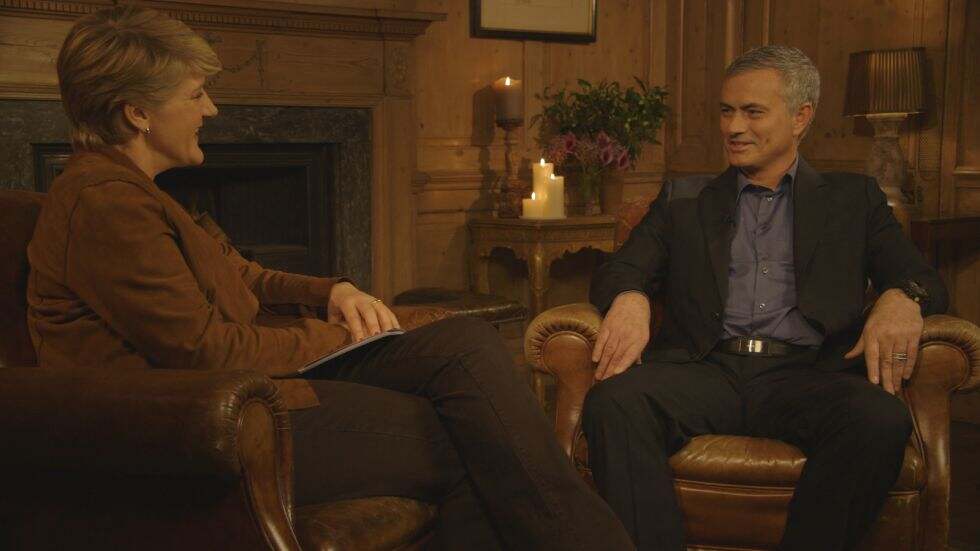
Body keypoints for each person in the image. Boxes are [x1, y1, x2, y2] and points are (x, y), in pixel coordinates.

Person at [27, 6, 634, 550]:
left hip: (246, 386)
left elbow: (242, 275)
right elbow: (204, 351)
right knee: (473, 436)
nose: (210, 109)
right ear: (137, 113)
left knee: (464, 343)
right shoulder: (106, 203)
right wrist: (343, 337)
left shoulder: (137, 191)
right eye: (195, 94)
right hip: (200, 421)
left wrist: (332, 291)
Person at [583, 45, 948, 551]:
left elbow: (921, 277)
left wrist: (900, 298)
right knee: (614, 403)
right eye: (726, 111)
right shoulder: (683, 199)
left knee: (879, 418)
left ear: (801, 117)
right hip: (705, 368)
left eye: (753, 112)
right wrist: (631, 296)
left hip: (806, 374)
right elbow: (621, 269)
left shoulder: (854, 199)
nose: (734, 127)